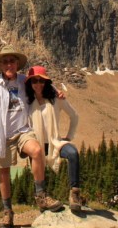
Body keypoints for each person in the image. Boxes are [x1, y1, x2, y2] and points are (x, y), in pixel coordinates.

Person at [0, 45, 63, 228]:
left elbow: (42, 82)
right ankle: (7, 211)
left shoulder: (25, 80)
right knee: (4, 172)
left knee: (37, 150)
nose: (9, 64)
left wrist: (56, 92)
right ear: (0, 65)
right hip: (2, 135)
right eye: (5, 61)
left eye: (12, 61)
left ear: (17, 64)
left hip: (23, 131)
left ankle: (41, 195)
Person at [25, 65, 84, 212]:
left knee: (73, 154)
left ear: (46, 82)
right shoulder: (26, 101)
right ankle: (43, 201)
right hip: (36, 144)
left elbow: (74, 116)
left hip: (55, 141)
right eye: (34, 81)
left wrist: (68, 137)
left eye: (41, 81)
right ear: (30, 83)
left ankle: (74, 194)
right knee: (39, 174)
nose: (38, 84)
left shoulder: (56, 99)